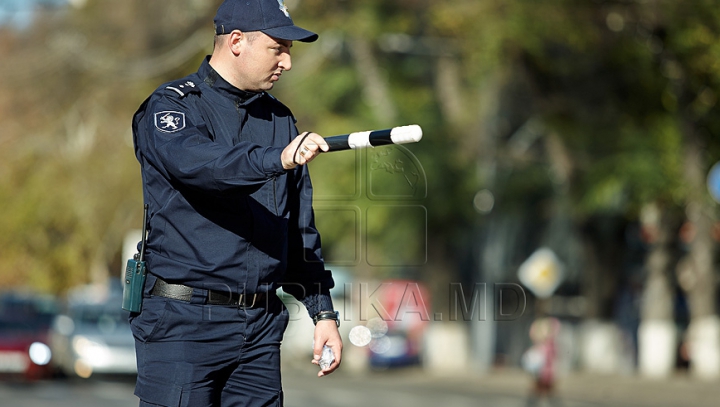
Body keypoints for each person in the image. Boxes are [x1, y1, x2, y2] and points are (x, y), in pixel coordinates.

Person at [129, 0, 342, 405]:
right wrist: (275, 158)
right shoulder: (173, 107)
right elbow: (202, 166)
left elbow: (297, 229)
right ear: (237, 41)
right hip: (183, 324)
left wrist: (323, 312)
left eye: (290, 52)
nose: (287, 63)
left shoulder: (280, 120)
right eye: (278, 48)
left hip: (260, 327)